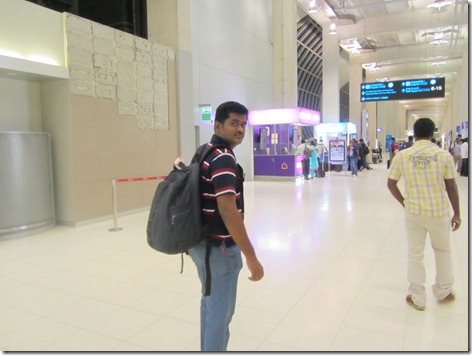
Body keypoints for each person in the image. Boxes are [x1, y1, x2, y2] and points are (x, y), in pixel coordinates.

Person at [188, 101, 264, 351]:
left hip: (201, 244)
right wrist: (251, 256)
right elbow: (228, 211)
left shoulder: (204, 150)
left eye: (243, 124)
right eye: (234, 123)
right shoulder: (222, 158)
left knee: (210, 306)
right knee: (220, 316)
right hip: (219, 248)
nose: (240, 129)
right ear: (218, 125)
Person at [387, 117, 461, 311]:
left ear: (414, 132)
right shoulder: (444, 155)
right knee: (442, 251)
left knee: (415, 252)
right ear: (432, 133)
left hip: (414, 212)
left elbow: (391, 183)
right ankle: (444, 289)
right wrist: (457, 213)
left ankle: (418, 296)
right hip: (438, 212)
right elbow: (451, 186)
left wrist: (404, 202)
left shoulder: (403, 155)